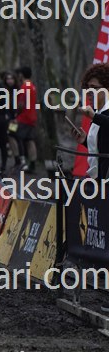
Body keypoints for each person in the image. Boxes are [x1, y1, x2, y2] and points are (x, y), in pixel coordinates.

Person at [69, 63, 109, 313]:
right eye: (88, 88)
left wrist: (93, 117)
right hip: (100, 179)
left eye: (96, 88)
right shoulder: (100, 112)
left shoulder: (101, 114)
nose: (91, 93)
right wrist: (84, 141)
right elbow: (101, 146)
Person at [13, 66, 38, 173]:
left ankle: (21, 162)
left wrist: (16, 113)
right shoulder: (32, 86)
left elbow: (21, 104)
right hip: (32, 117)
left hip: (23, 118)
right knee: (30, 140)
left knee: (16, 137)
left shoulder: (24, 88)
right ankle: (32, 164)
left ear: (21, 75)